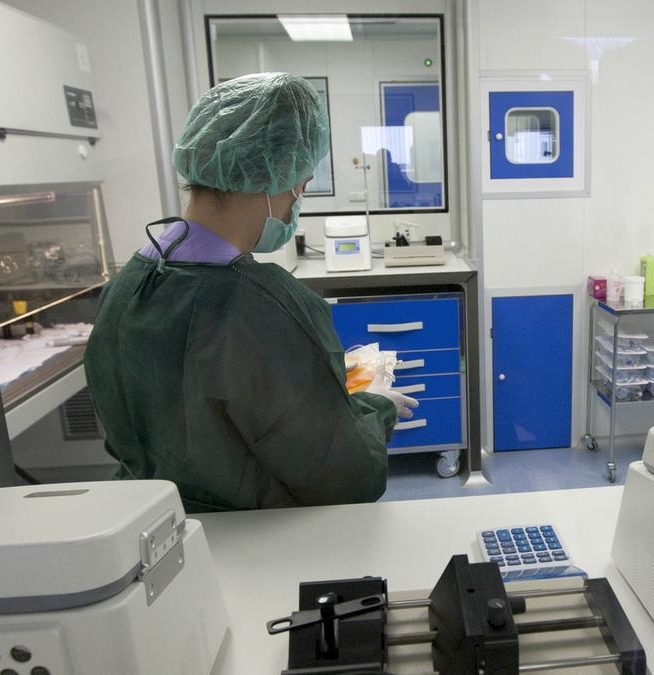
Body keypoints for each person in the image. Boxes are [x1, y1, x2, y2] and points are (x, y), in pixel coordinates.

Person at [84, 73, 417, 512]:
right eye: (301, 184)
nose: (297, 199)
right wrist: (378, 412)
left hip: (150, 527)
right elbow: (341, 476)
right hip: (256, 543)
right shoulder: (262, 306)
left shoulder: (128, 284)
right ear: (276, 175)